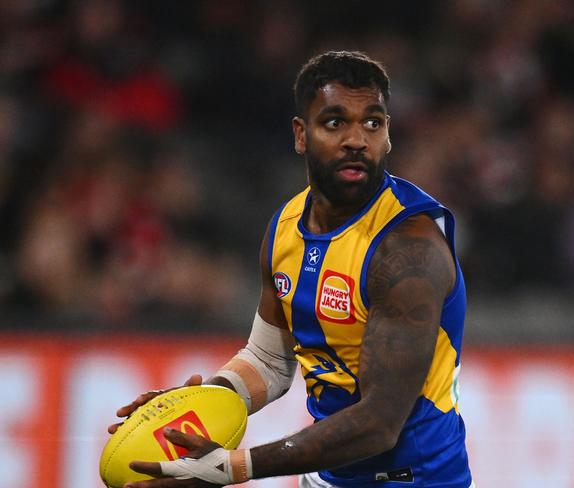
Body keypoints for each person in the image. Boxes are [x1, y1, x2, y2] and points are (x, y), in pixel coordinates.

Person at [109, 50, 474, 488]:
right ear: (301, 134)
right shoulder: (286, 226)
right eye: (336, 122)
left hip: (414, 480)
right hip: (328, 476)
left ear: (388, 136)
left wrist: (233, 467)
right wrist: (205, 402)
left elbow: (380, 422)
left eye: (372, 122)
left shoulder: (408, 249)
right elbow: (269, 360)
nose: (357, 139)